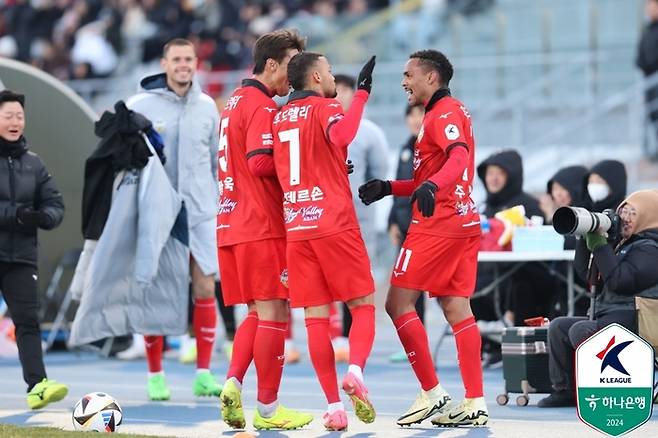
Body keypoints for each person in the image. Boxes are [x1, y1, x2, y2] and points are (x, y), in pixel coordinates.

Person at [358, 49, 488, 427]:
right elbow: (428, 177)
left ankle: (433, 394)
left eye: (408, 74)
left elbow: (459, 157)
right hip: (463, 221)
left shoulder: (443, 113)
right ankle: (476, 401)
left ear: (431, 78)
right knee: (456, 309)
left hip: (438, 225)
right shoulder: (447, 112)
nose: (403, 82)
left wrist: (432, 184)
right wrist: (388, 187)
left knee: (397, 303)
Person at [273, 52, 378, 431]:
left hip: (297, 228)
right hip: (333, 222)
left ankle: (334, 406)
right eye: (331, 71)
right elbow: (343, 134)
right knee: (363, 304)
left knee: (315, 318)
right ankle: (355, 373)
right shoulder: (325, 107)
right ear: (316, 77)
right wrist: (362, 95)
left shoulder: (280, 116)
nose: (334, 78)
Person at [216, 29, 313, 431]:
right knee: (275, 312)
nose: (295, 74)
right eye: (291, 65)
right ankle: (269, 410)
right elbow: (259, 163)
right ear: (271, 64)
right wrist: (307, 166)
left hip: (231, 221)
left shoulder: (233, 102)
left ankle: (233, 383)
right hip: (261, 223)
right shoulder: (261, 106)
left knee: (257, 312)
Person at [125, 38, 222, 401]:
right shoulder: (139, 105)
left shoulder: (207, 107)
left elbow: (215, 161)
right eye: (176, 59)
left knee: (205, 288)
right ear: (164, 63)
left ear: (196, 63)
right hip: (158, 211)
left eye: (188, 59)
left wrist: (218, 202)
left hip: (199, 211)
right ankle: (155, 375)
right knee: (159, 294)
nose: (183, 65)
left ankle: (204, 373)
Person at [538, 189, 658, 407]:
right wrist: (586, 239)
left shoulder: (651, 249)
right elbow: (588, 275)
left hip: (641, 320)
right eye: (624, 212)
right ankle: (565, 391)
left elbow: (621, 282)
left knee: (582, 330)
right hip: (615, 315)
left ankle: (608, 388)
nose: (626, 219)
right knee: (559, 327)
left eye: (633, 213)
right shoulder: (624, 244)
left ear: (649, 216)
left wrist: (601, 247)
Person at [0, 90, 67, 409]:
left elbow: (55, 203)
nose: (15, 122)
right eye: (8, 115)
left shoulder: (34, 163)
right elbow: (12, 210)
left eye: (19, 116)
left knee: (27, 321)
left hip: (22, 257)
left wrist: (46, 217)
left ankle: (38, 385)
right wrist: (16, 214)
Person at [332, 73, 389, 362]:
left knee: (356, 275)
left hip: (359, 217)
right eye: (336, 90)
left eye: (346, 91)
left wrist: (365, 197)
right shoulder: (321, 124)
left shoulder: (369, 132)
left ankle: (351, 332)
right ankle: (334, 333)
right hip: (326, 214)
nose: (340, 96)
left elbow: (379, 171)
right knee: (326, 274)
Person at [387, 103, 427, 363]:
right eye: (411, 115)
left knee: (415, 289)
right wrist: (392, 221)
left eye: (420, 114)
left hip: (423, 229)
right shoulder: (405, 148)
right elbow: (398, 190)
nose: (415, 119)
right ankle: (413, 344)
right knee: (407, 290)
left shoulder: (429, 148)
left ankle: (418, 344)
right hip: (404, 230)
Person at [476, 149, 543, 219]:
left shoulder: (530, 207)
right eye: (490, 173)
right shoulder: (482, 208)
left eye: (500, 173)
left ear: (512, 177)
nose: (494, 178)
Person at [636, 0, 658, 161]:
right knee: (653, 117)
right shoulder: (647, 29)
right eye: (647, 6)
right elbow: (640, 58)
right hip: (650, 84)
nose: (649, 9)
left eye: (653, 5)